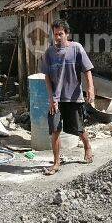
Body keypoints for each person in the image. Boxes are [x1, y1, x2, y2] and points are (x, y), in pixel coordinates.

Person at [40, 19, 95, 175]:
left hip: (73, 96)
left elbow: (87, 70)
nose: (57, 37)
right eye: (55, 34)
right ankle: (56, 162)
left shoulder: (76, 48)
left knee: (78, 128)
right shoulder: (49, 53)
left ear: (67, 34)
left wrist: (90, 87)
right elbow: (47, 77)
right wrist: (51, 97)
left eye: (60, 34)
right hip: (56, 99)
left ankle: (87, 147)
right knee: (55, 129)